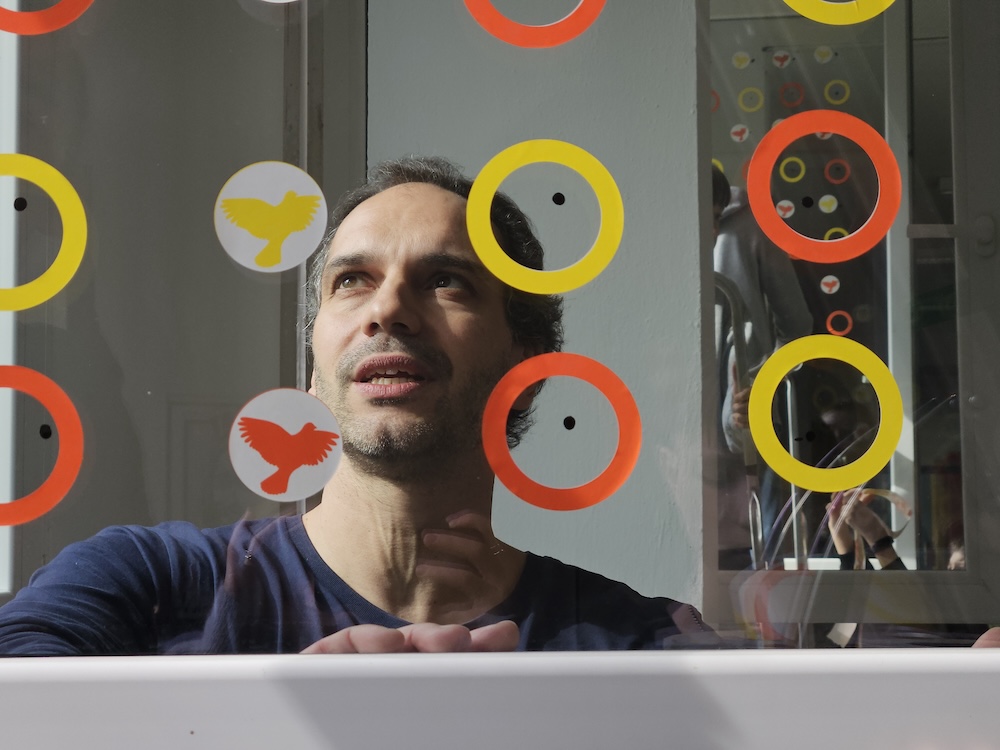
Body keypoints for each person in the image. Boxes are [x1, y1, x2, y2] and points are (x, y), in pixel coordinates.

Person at [0, 157, 715, 655]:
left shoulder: (641, 647)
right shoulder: (140, 585)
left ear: (525, 367)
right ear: (315, 370)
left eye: (446, 281)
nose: (387, 309)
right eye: (352, 281)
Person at [711, 166, 812, 566]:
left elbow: (797, 326)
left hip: (742, 395)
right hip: (696, 396)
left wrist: (764, 380)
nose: (709, 231)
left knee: (758, 540)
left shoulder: (749, 227)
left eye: (714, 219)